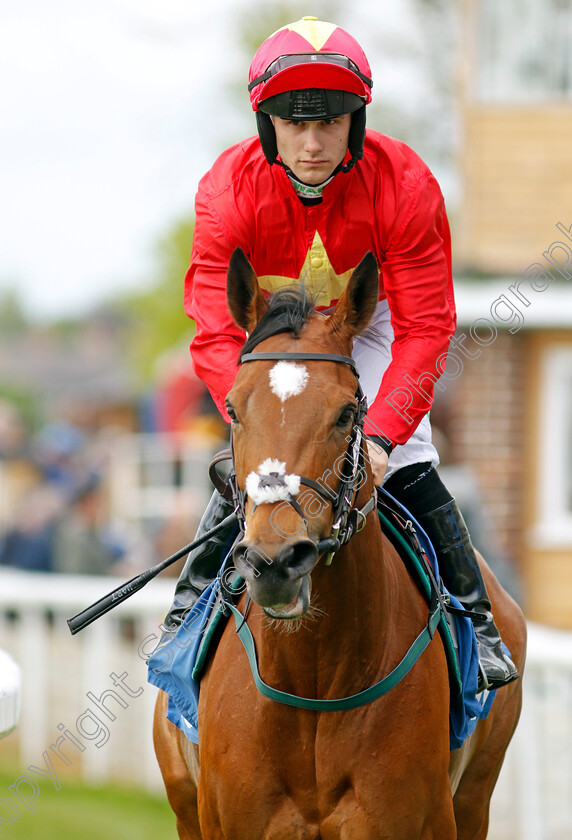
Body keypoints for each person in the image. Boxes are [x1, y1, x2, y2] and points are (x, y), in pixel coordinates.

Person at [162, 17, 518, 690]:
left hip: (370, 313)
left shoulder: (406, 183)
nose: (314, 143)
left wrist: (382, 436)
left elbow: (426, 327)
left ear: (358, 121)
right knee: (262, 449)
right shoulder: (226, 191)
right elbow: (213, 331)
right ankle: (187, 615)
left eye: (331, 121)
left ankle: (476, 620)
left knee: (410, 450)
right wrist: (250, 419)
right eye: (295, 124)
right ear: (267, 125)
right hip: (273, 317)